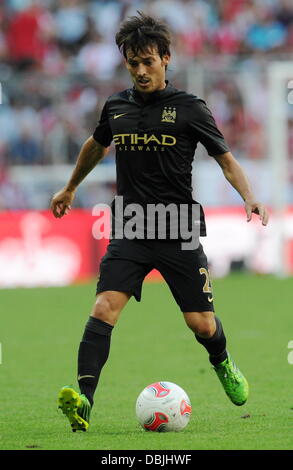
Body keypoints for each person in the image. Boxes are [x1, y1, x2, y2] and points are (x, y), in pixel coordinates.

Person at [51, 12, 269, 432]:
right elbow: (94, 146)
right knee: (103, 308)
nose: (140, 70)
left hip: (178, 229)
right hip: (131, 227)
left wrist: (250, 197)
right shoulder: (116, 107)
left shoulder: (190, 108)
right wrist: (70, 186)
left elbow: (225, 159)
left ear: (166, 59)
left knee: (201, 324)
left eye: (148, 61)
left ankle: (222, 362)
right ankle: (84, 400)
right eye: (133, 63)